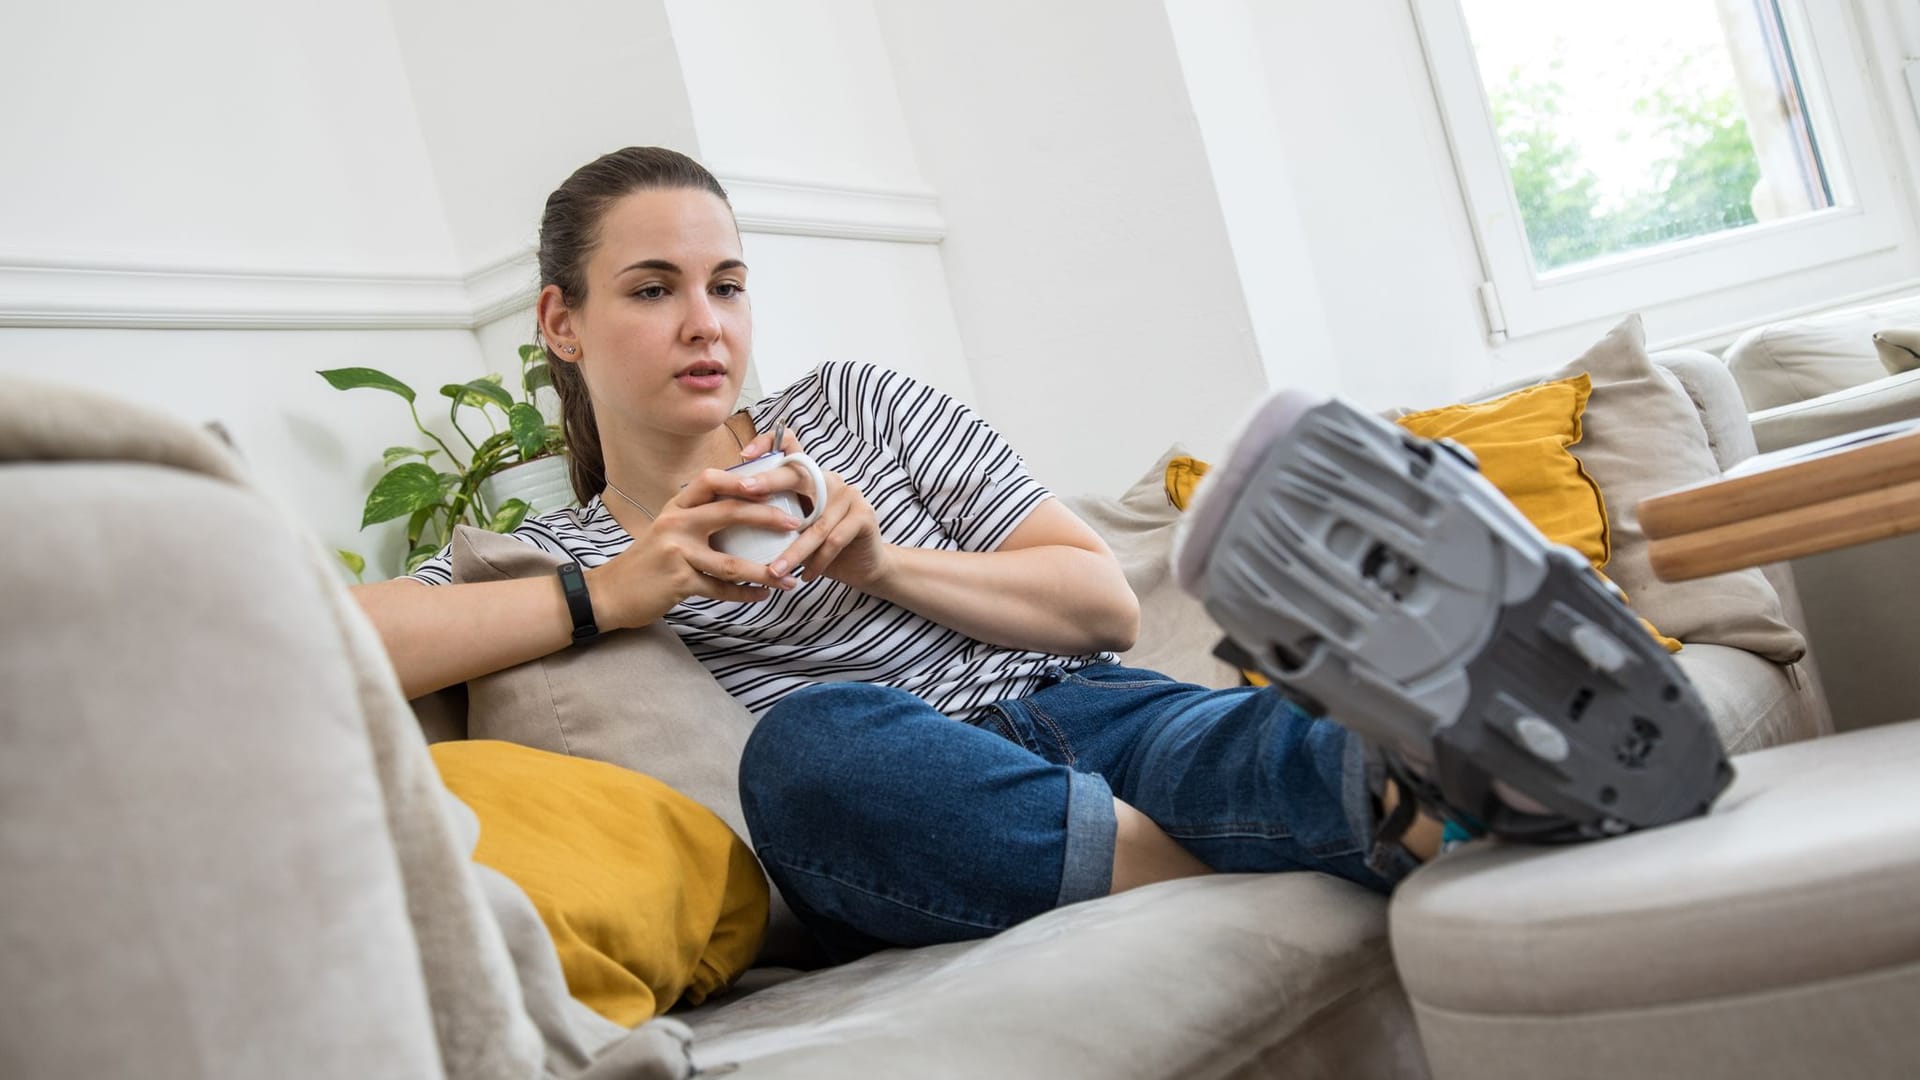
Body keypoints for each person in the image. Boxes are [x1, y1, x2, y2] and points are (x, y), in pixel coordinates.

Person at [354, 146, 1439, 964]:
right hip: (913, 801)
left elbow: (1102, 605)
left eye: (726, 286)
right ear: (562, 321)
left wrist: (883, 562)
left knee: (1249, 730)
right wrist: (613, 591)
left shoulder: (861, 406)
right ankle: (1267, 845)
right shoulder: (559, 551)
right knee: (808, 750)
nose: (706, 324)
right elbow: (338, 643)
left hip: (1089, 712)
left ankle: (1449, 771)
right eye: (653, 289)